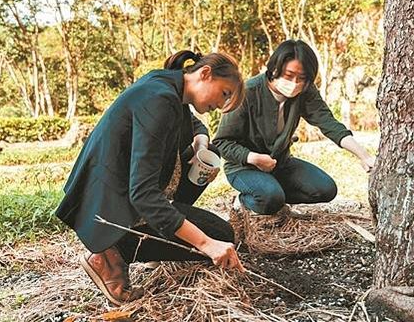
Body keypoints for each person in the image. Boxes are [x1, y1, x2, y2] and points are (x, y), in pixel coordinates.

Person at [55, 50, 246, 306]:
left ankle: (150, 236)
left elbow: (191, 123)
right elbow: (143, 194)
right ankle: (112, 253)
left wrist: (202, 143)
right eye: (224, 93)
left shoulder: (167, 86)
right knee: (221, 234)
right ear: (205, 73)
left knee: (208, 155)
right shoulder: (159, 100)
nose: (222, 105)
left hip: (116, 194)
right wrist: (207, 244)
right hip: (109, 206)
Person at [213, 39, 376, 215]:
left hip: (280, 163)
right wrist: (253, 157)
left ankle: (272, 194)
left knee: (326, 189)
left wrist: (364, 156)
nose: (294, 83)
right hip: (244, 167)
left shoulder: (305, 92)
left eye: (302, 78)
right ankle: (246, 199)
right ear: (275, 68)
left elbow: (328, 123)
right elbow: (222, 142)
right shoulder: (248, 92)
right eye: (289, 75)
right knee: (270, 198)